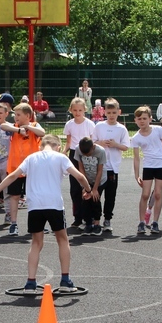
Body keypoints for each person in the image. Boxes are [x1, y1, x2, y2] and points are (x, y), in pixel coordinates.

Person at [0, 134, 92, 293]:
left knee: (36, 243)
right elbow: (79, 176)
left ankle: (30, 282)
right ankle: (65, 280)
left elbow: (13, 175)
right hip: (54, 204)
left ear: (41, 146)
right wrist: (88, 190)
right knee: (62, 240)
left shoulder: (31, 158)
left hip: (35, 205)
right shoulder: (60, 157)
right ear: (57, 146)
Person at [5, 103, 46, 236]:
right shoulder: (14, 127)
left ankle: (37, 224)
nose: (15, 117)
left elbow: (43, 133)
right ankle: (13, 224)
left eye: (18, 115)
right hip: (15, 168)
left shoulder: (34, 126)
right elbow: (2, 125)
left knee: (34, 196)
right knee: (14, 196)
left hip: (33, 169)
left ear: (28, 116)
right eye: (15, 114)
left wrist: (28, 127)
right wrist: (18, 130)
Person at [93, 98, 130, 232]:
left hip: (113, 168)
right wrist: (100, 143)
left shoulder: (122, 129)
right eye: (109, 112)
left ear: (119, 112)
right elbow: (92, 142)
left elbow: (126, 147)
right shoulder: (99, 126)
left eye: (114, 112)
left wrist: (115, 145)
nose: (111, 115)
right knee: (96, 194)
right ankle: (95, 218)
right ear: (104, 112)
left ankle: (107, 219)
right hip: (99, 167)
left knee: (110, 196)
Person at [131, 106, 162, 235]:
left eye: (144, 118)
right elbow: (136, 158)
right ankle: (141, 222)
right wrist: (136, 175)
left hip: (161, 165)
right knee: (145, 194)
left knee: (158, 193)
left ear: (150, 119)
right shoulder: (136, 138)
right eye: (139, 119)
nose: (142, 121)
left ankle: (155, 222)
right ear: (135, 120)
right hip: (148, 166)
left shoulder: (158, 130)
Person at [63, 97, 95, 228]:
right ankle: (77, 216)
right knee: (75, 187)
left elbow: (93, 141)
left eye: (80, 110)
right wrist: (64, 152)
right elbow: (69, 142)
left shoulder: (90, 124)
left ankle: (90, 216)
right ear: (71, 110)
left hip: (87, 154)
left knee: (88, 184)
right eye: (75, 110)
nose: (77, 113)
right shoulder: (69, 124)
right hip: (74, 155)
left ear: (85, 110)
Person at [73, 137, 106, 235]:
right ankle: (88, 224)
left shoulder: (101, 151)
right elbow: (80, 167)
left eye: (88, 154)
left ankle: (96, 224)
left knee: (95, 199)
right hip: (86, 179)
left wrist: (95, 189)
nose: (86, 156)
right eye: (84, 155)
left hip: (98, 180)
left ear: (93, 147)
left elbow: (100, 171)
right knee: (86, 200)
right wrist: (85, 186)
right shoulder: (78, 149)